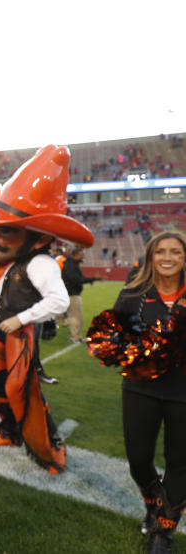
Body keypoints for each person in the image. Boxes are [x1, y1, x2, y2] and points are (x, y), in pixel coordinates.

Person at [0, 145, 87, 474]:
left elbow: (59, 302)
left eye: (5, 229)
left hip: (16, 331)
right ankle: (7, 433)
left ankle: (48, 448)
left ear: (37, 238)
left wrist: (21, 318)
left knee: (21, 389)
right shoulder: (11, 260)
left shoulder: (40, 262)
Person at [102, 231, 186, 553]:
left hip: (184, 391)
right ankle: (155, 506)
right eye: (160, 252)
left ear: (184, 257)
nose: (167, 258)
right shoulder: (133, 292)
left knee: (180, 463)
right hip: (140, 388)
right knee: (138, 460)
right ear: (150, 257)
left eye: (175, 252)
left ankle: (162, 530)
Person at [61, 246, 99, 345]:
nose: (83, 257)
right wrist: (93, 279)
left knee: (76, 317)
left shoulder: (72, 264)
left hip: (72, 293)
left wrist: (90, 279)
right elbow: (76, 279)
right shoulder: (70, 265)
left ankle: (76, 336)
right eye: (81, 255)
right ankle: (75, 337)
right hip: (72, 294)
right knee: (76, 317)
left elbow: (78, 278)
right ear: (75, 255)